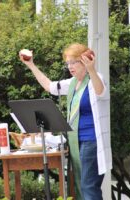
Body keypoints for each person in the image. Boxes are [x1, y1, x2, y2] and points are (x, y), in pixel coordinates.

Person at [19, 43, 112, 200]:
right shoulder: (73, 83)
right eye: (67, 63)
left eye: (73, 62)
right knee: (82, 187)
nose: (70, 66)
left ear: (85, 60)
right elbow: (50, 87)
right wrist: (31, 65)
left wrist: (91, 69)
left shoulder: (95, 78)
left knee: (89, 186)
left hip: (92, 141)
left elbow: (100, 92)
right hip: (76, 141)